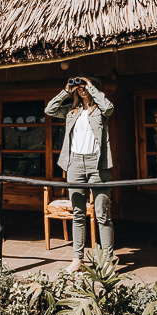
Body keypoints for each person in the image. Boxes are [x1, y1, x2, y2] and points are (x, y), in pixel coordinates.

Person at [45, 71, 114, 272]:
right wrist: (66, 91)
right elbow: (49, 110)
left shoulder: (100, 110)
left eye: (85, 85)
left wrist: (91, 87)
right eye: (80, 86)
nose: (82, 88)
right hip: (74, 164)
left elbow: (109, 107)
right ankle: (78, 259)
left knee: (102, 215)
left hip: (97, 165)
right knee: (78, 213)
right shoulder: (71, 111)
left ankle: (107, 261)